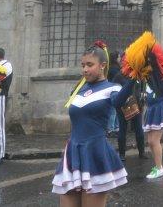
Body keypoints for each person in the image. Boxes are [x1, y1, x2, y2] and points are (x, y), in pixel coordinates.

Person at [52, 45, 134, 204]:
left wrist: (133, 78)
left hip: (95, 153)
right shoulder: (78, 89)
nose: (85, 69)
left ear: (102, 65)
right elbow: (75, 120)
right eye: (83, 65)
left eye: (90, 65)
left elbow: (118, 101)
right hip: (72, 153)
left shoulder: (112, 88)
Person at [140, 50, 163, 179]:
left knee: (154, 141)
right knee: (150, 141)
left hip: (159, 107)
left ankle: (159, 168)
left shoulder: (157, 75)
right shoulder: (147, 77)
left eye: (147, 62)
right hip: (151, 108)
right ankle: (157, 166)